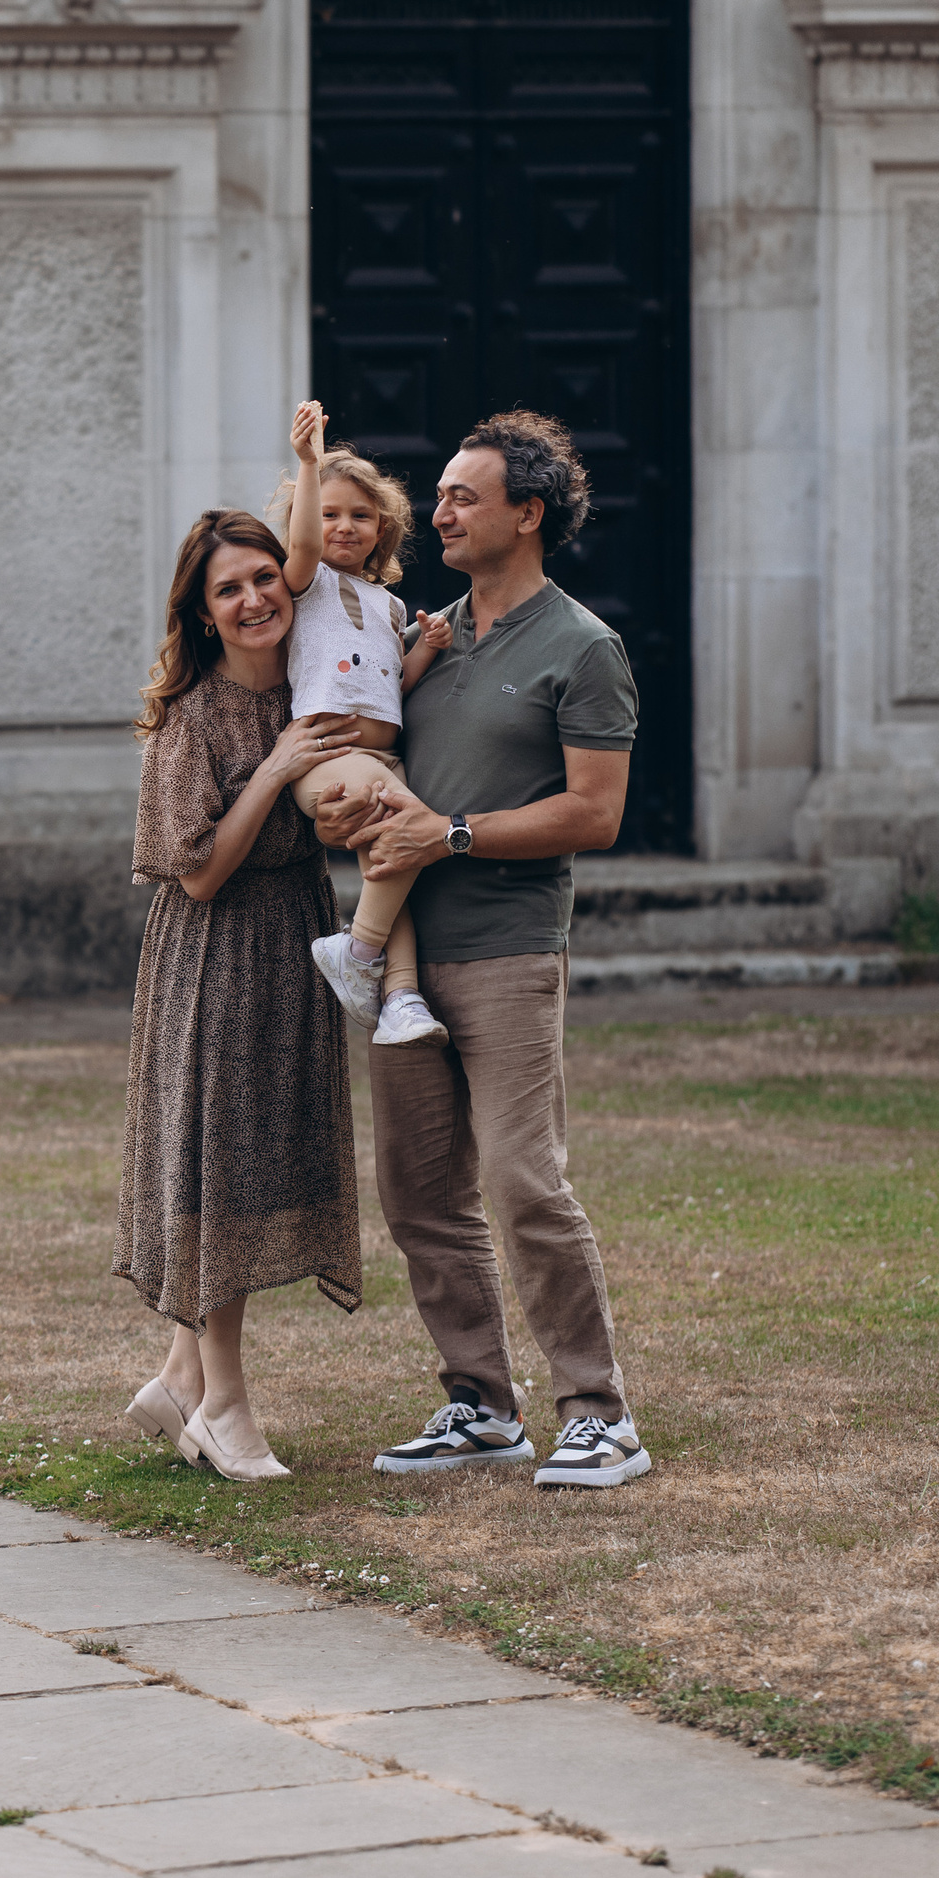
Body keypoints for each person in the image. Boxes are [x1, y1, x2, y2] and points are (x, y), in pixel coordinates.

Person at [315, 409, 649, 1492]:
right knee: (418, 1193)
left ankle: (599, 1414)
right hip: (403, 962)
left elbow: (594, 814)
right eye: (444, 494)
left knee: (522, 1180)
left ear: (527, 513)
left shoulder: (582, 646)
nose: (442, 509)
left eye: (465, 495)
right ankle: (478, 1405)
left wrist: (448, 833)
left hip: (507, 949)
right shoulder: (421, 633)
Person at [116, 509, 368, 1484]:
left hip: (291, 946)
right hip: (215, 957)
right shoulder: (191, 717)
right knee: (221, 1168)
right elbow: (202, 873)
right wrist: (274, 770)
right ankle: (224, 1404)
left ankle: (179, 1378)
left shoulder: (313, 690)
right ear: (205, 611)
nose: (255, 597)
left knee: (260, 1162)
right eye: (229, 588)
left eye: (265, 576)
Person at [268, 399, 455, 1051]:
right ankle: (358, 950)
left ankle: (399, 997)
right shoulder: (304, 581)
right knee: (408, 825)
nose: (343, 526)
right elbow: (305, 543)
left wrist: (427, 645)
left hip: (380, 757)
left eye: (360, 515)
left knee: (396, 854)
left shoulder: (388, 602)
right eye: (327, 514)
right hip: (327, 756)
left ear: (384, 529)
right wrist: (309, 465)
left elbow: (389, 690)